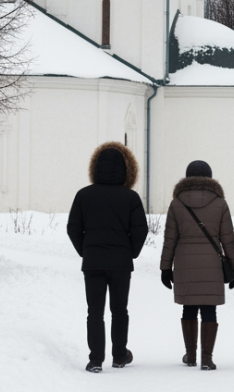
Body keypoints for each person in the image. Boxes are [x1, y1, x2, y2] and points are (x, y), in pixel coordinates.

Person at [67, 142, 149, 373]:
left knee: (94, 311)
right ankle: (119, 355)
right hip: (121, 263)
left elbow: (73, 228)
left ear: (95, 167)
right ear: (126, 169)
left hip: (93, 262)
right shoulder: (131, 197)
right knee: (119, 310)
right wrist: (130, 252)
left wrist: (86, 250)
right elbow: (140, 230)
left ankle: (95, 359)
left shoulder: (84, 195)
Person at [160, 160, 234, 371]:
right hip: (212, 263)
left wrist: (165, 268)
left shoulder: (177, 203)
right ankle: (207, 358)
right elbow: (228, 239)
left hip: (184, 262)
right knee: (209, 308)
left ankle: (190, 355)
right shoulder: (220, 203)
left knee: (189, 306)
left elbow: (170, 240)